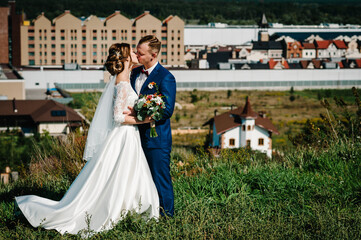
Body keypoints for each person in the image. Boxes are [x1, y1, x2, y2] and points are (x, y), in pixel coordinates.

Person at [14, 43, 159, 235]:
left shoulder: (124, 78)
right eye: (132, 51)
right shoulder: (123, 82)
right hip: (124, 137)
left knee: (125, 174)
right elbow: (117, 117)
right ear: (125, 58)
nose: (135, 54)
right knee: (123, 173)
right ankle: (121, 211)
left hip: (126, 136)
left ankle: (129, 209)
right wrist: (145, 119)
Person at [124, 35, 176, 217]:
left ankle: (167, 217)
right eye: (136, 52)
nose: (137, 55)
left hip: (156, 139)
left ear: (153, 55)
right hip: (132, 137)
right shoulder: (133, 73)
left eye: (141, 53)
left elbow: (167, 109)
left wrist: (141, 115)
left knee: (159, 179)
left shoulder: (166, 77)